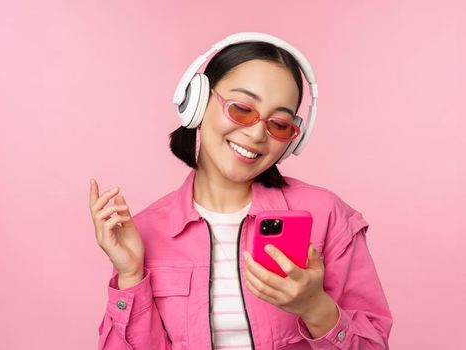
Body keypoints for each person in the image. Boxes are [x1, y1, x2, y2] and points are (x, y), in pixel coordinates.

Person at [90, 32, 392, 349]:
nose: (256, 134)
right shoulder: (145, 232)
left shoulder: (327, 216)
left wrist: (315, 307)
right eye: (242, 109)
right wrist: (130, 276)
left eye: (278, 124)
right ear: (196, 102)